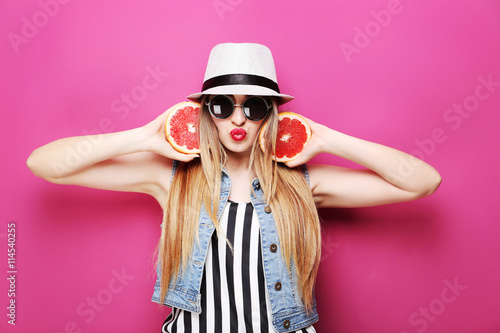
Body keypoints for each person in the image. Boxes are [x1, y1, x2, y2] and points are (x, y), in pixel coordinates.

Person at [27, 43, 441, 333]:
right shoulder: (171, 180)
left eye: (255, 106)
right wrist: (143, 136)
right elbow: (45, 165)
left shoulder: (302, 184)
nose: (238, 120)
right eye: (224, 105)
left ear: (271, 115)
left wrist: (328, 138)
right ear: (206, 113)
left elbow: (422, 182)